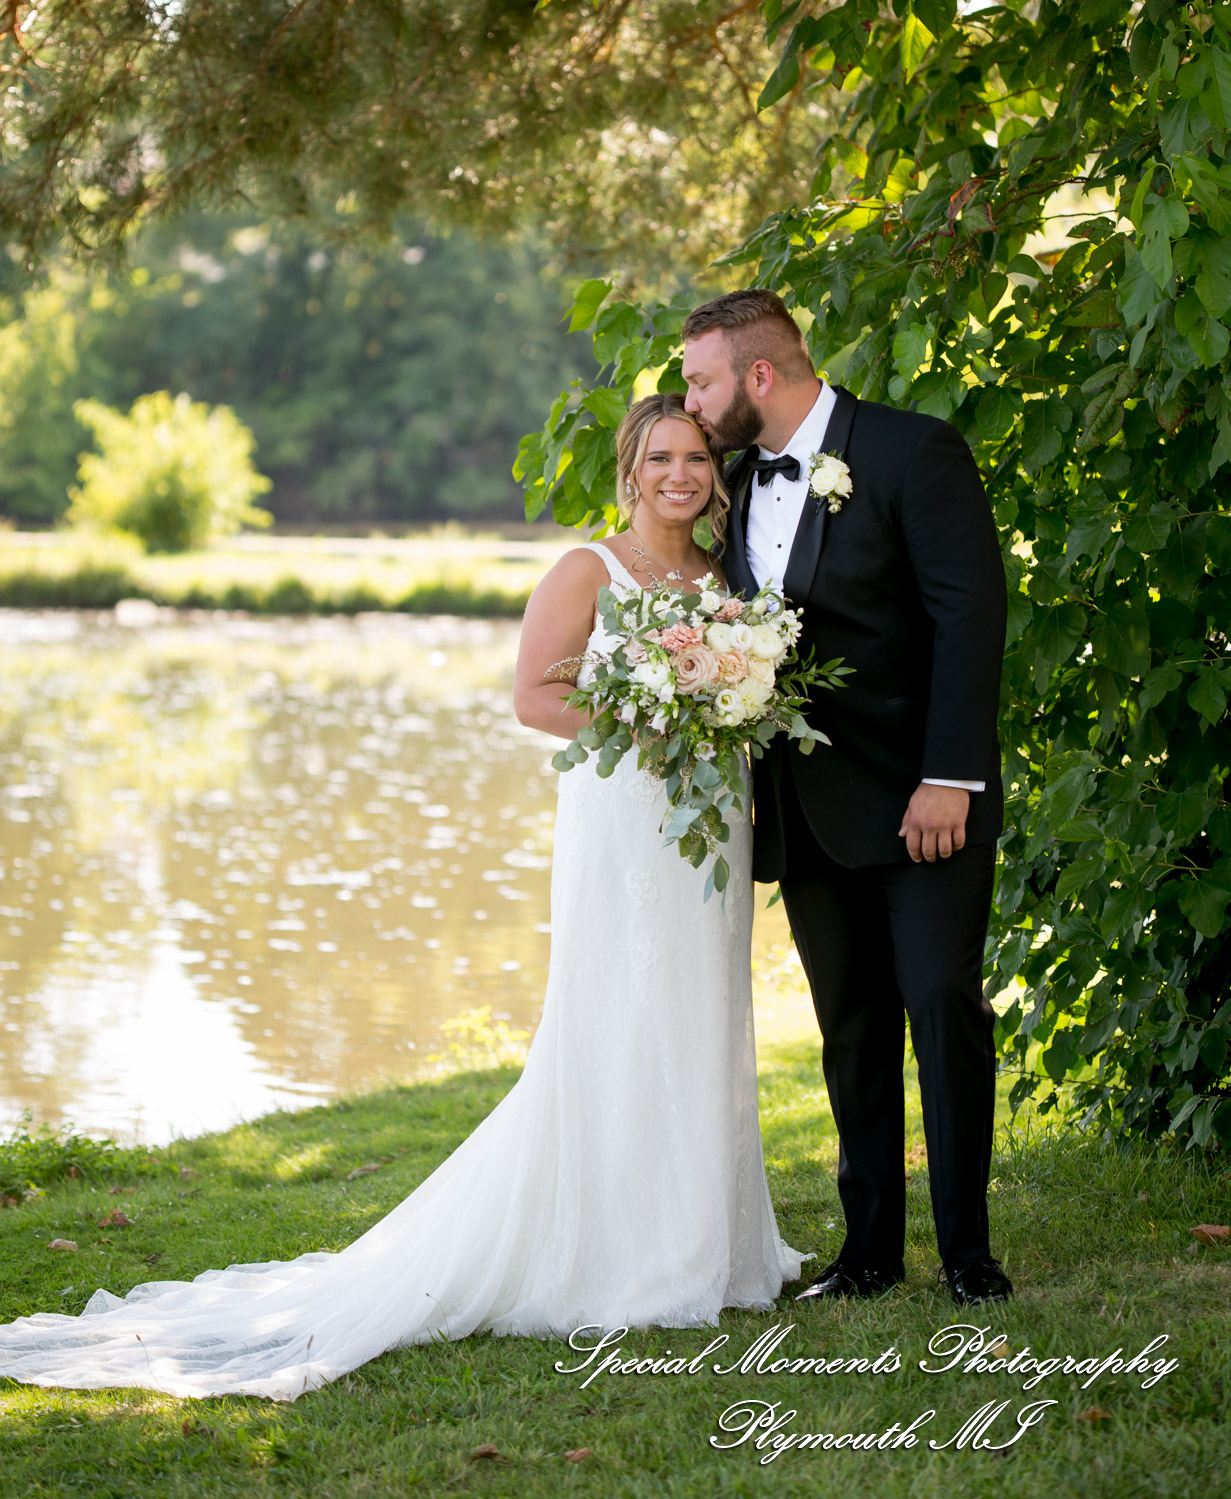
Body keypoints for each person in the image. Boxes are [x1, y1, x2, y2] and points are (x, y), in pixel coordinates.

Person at [0, 393, 801, 1403]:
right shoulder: (584, 570)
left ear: (713, 474)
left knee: (702, 1011)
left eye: (694, 459)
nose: (679, 475)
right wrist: (651, 717)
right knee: (619, 1014)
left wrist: (720, 717)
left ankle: (709, 1235)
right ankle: (624, 1245)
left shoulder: (719, 577)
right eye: (660, 458)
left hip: (709, 823)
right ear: (630, 469)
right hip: (627, 814)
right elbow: (535, 696)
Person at [681, 288, 1012, 1305]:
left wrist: (948, 775)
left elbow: (970, 615)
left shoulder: (915, 452)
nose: (688, 404)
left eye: (700, 380)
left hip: (925, 801)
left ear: (759, 375)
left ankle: (967, 1253)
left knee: (939, 1003)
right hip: (806, 806)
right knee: (851, 1027)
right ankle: (867, 1251)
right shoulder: (731, 483)